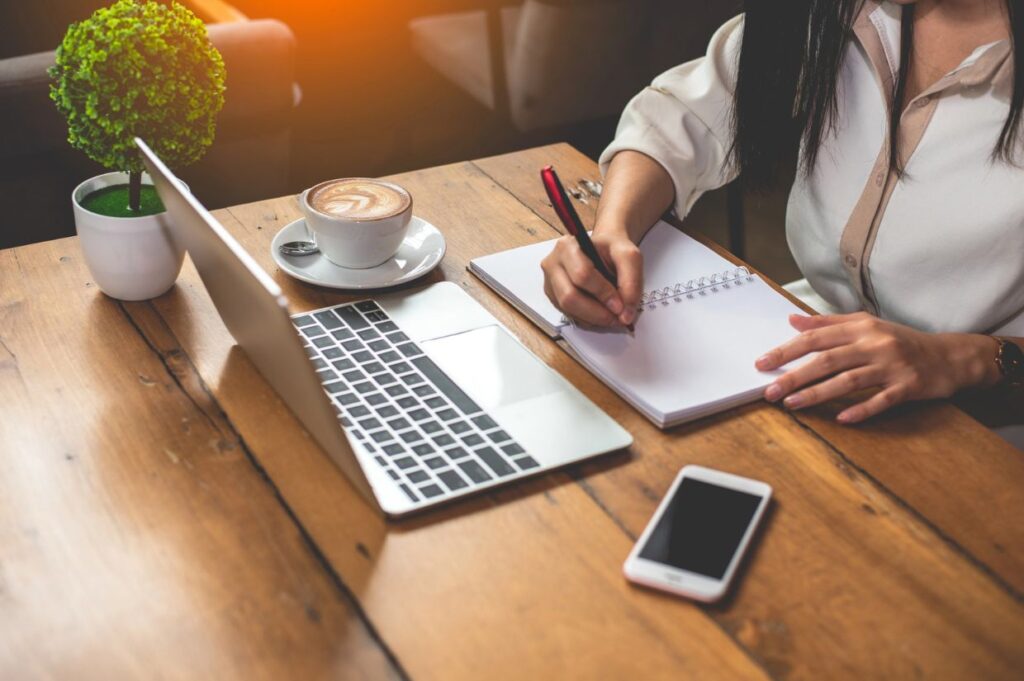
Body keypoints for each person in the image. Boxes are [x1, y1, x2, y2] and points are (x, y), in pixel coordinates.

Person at [540, 0, 1023, 442]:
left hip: (988, 424)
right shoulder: (833, 11)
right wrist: (613, 231)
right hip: (811, 360)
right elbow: (680, 116)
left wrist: (959, 358)